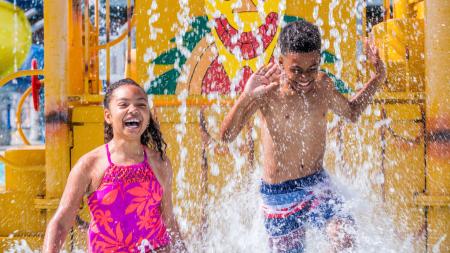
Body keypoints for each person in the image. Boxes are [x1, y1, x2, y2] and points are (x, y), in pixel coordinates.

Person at [220, 19, 386, 252]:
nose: (305, 78)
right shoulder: (267, 92)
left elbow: (352, 112)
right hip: (278, 195)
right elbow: (226, 136)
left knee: (345, 237)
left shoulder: (323, 87)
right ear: (280, 62)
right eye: (296, 70)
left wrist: (379, 77)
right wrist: (246, 96)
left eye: (312, 68)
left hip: (316, 184)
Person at [43, 78, 187, 253]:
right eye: (124, 104)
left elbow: (169, 221)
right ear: (108, 116)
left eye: (141, 105)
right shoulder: (90, 165)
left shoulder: (159, 163)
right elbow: (61, 222)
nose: (133, 110)